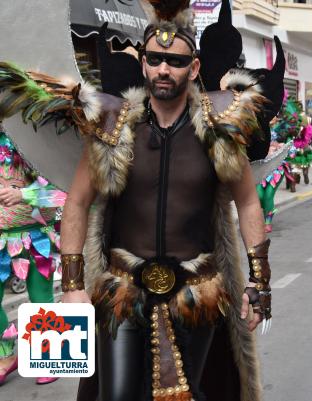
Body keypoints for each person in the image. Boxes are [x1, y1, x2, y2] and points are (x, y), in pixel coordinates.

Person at [0, 1, 282, 399]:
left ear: (194, 69)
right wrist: (73, 283)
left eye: (174, 60)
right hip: (123, 292)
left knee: (188, 393)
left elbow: (249, 203)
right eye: (155, 59)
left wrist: (260, 281)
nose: (163, 69)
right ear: (144, 64)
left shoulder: (219, 128)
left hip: (196, 293)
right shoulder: (112, 125)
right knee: (116, 396)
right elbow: (78, 203)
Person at [0, 129, 66, 386]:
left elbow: (63, 192)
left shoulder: (37, 139)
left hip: (37, 236)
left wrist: (23, 194)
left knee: (41, 297)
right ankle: (6, 354)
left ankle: (48, 357)